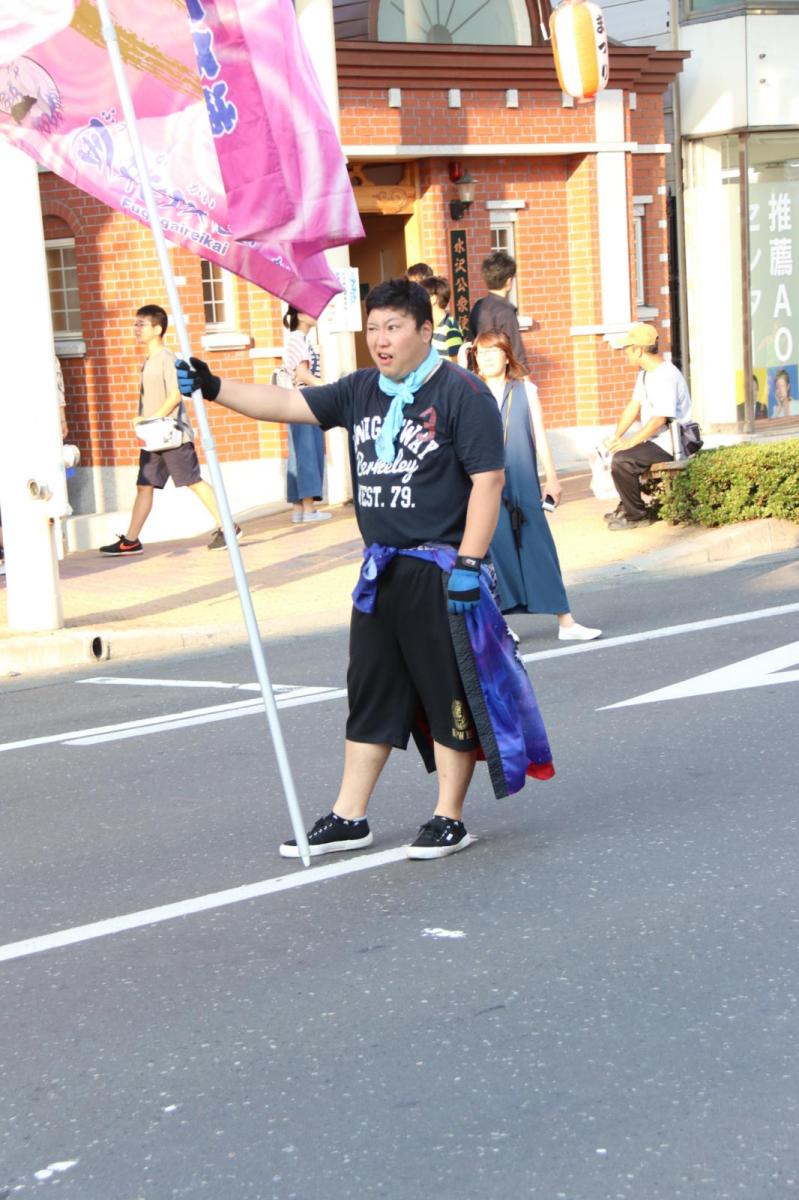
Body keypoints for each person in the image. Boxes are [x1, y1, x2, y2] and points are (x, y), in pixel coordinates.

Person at [177, 278, 554, 861]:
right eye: (374, 328)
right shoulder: (360, 390)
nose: (381, 339)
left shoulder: (462, 393)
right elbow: (288, 405)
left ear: (424, 331)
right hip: (381, 571)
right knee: (371, 692)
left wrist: (469, 563)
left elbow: (488, 481)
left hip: (442, 568)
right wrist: (213, 385)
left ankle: (448, 816)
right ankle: (350, 815)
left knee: (448, 695)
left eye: (393, 327)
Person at [469, 331, 601, 642]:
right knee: (495, 552)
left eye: (492, 351)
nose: (486, 358)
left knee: (540, 547)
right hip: (485, 484)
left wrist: (552, 478)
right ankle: (502, 625)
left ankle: (566, 621)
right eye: (480, 353)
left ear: (506, 355)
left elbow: (539, 435)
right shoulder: (470, 392)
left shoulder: (525, 389)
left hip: (523, 481)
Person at [99, 305, 237, 556]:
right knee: (144, 485)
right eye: (135, 324)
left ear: (158, 329)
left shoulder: (167, 359)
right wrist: (147, 424)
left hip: (172, 435)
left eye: (141, 324)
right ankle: (131, 540)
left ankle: (228, 527)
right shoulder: (149, 360)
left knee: (193, 481)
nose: (136, 329)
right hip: (153, 437)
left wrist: (148, 419)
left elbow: (176, 396)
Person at [604, 322, 692, 531]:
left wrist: (630, 443)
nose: (625, 353)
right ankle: (627, 506)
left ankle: (636, 516)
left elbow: (660, 419)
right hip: (657, 440)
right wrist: (616, 437)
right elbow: (633, 406)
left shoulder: (666, 375)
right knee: (619, 454)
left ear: (638, 350)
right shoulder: (645, 374)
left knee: (623, 460)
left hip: (673, 443)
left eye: (627, 348)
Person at [282, 307, 331, 525]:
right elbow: (303, 375)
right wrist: (327, 387)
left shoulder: (295, 339)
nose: (316, 313)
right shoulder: (299, 340)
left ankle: (299, 509)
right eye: (311, 310)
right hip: (307, 400)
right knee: (309, 451)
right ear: (301, 315)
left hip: (294, 401)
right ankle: (309, 509)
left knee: (298, 454)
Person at [468, 250, 529, 372]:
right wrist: (525, 378)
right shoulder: (506, 312)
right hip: (501, 374)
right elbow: (516, 353)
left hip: (480, 371)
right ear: (509, 281)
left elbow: (471, 343)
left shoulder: (478, 306)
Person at [420, 275, 464, 361]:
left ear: (433, 299)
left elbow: (456, 364)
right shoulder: (426, 327)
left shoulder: (450, 327)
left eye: (421, 296)